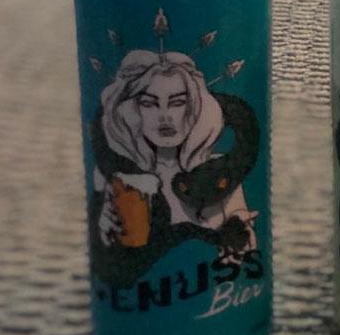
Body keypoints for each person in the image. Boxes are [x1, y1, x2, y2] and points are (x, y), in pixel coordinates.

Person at [90, 50, 259, 287]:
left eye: (178, 102)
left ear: (195, 107)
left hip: (222, 294)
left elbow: (246, 243)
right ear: (131, 111)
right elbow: (110, 268)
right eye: (149, 103)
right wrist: (105, 232)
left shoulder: (218, 171)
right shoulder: (122, 180)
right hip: (140, 298)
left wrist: (239, 227)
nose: (165, 116)